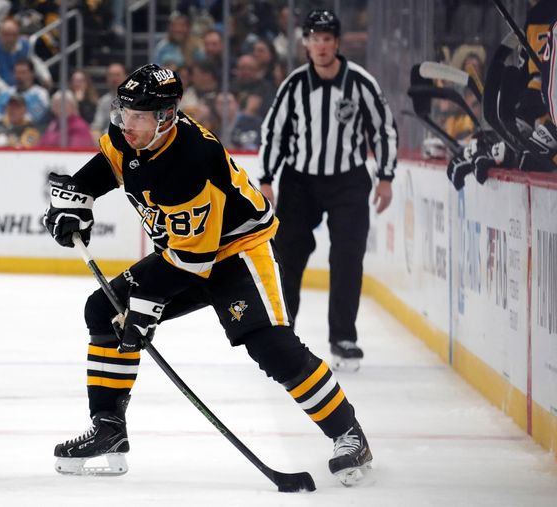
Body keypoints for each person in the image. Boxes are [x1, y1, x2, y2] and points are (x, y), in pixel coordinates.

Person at [43, 63, 373, 486]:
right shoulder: (132, 138)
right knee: (104, 310)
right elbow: (109, 165)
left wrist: (145, 308)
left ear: (167, 118)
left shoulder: (191, 160)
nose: (128, 125)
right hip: (186, 251)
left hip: (237, 251)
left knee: (270, 345)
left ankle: (349, 433)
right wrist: (75, 199)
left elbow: (193, 263)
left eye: (139, 117)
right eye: (124, 113)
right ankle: (109, 429)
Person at [258, 9, 397, 371]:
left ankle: (343, 337)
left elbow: (383, 128)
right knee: (288, 256)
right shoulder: (294, 85)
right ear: (305, 43)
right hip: (300, 181)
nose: (320, 46)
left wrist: (385, 176)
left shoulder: (361, 83)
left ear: (336, 43)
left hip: (348, 180)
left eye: (326, 39)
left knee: (348, 257)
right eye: (314, 38)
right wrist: (267, 179)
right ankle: (282, 333)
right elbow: (274, 131)